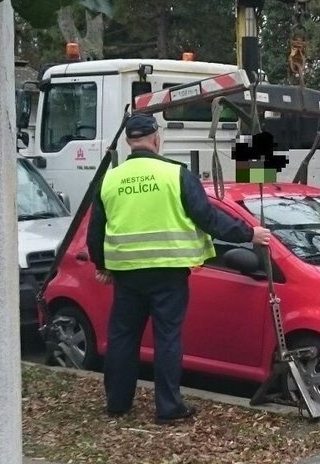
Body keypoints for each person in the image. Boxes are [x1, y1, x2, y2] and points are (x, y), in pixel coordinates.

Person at [86, 112, 272, 425]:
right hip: (168, 273)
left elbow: (95, 231)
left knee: (122, 337)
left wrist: (101, 265)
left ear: (130, 142)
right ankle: (169, 407)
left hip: (127, 274)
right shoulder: (176, 174)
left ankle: (118, 404)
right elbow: (208, 217)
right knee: (167, 338)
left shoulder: (110, 179)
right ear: (156, 139)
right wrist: (248, 233)